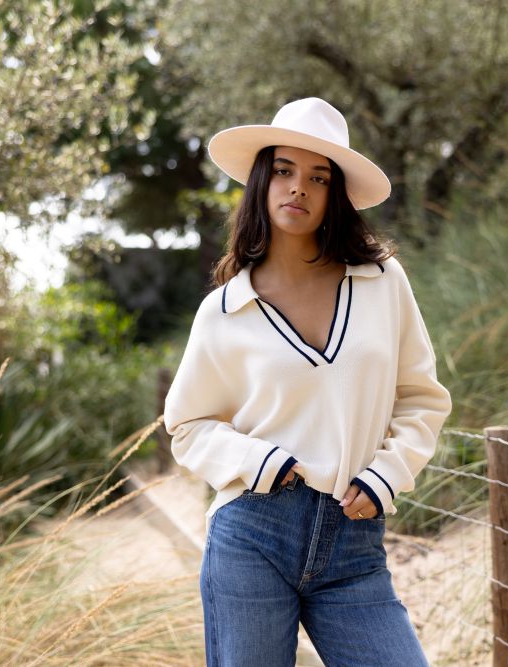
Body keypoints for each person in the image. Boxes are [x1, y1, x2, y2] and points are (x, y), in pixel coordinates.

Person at [163, 97, 453, 666]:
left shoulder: (381, 282)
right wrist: (263, 462)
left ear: (334, 195)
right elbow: (187, 426)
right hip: (252, 535)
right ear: (261, 182)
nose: (299, 188)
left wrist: (386, 476)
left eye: (318, 178)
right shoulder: (226, 310)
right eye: (285, 171)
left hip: (354, 543)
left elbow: (421, 398)